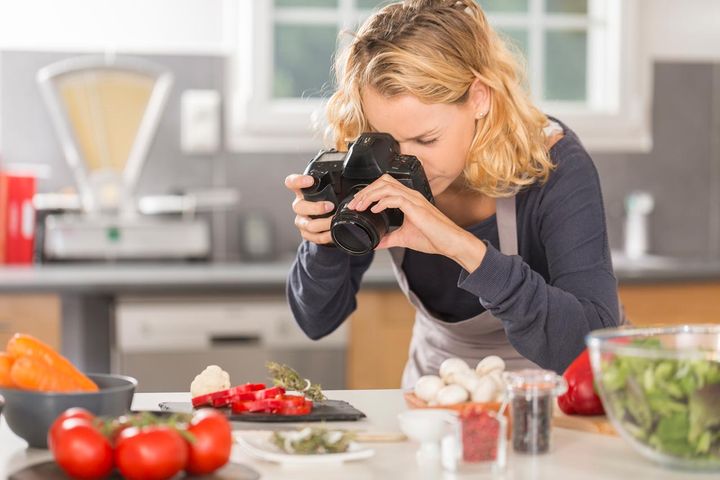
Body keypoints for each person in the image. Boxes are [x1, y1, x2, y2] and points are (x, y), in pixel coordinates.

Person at [284, 0, 621, 388]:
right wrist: (324, 241)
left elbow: (590, 350)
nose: (407, 163)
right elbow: (316, 321)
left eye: (427, 139)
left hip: (552, 400)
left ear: (478, 97)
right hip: (436, 396)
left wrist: (463, 248)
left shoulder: (555, 164)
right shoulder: (368, 159)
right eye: (388, 141)